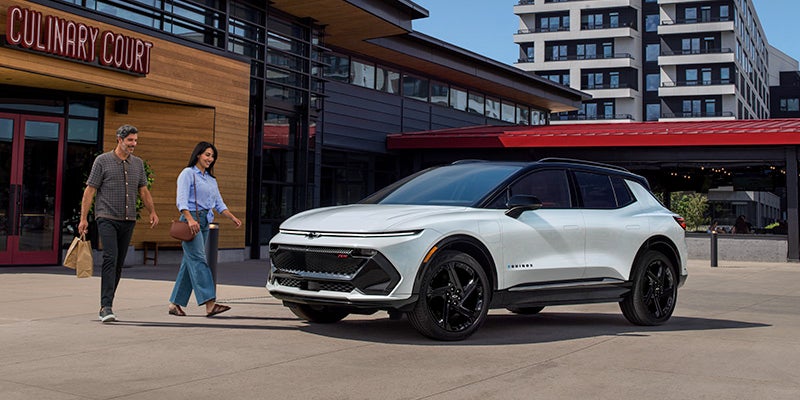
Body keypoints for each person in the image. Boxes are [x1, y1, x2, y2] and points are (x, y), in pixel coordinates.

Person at [79, 124, 159, 323]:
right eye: (130, 140)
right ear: (119, 140)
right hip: (106, 217)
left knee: (118, 263)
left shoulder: (138, 164)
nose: (134, 144)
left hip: (128, 219)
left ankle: (108, 303)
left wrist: (152, 211)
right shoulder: (102, 161)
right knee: (110, 258)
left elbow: (143, 190)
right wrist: (83, 219)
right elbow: (90, 190)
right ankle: (105, 306)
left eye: (135, 140)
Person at [168, 141, 241, 317]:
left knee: (189, 263)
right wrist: (190, 219)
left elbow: (219, 203)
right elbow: (181, 200)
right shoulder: (188, 173)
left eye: (213, 156)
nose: (210, 159)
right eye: (207, 155)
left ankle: (175, 304)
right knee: (199, 260)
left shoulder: (210, 179)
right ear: (198, 154)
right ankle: (210, 303)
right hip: (191, 221)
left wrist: (232, 217)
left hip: (205, 221)